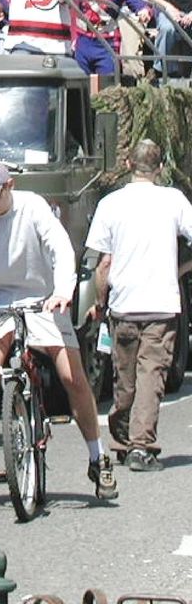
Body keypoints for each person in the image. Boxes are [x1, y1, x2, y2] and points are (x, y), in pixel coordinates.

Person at [0, 158, 117, 509]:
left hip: (43, 297)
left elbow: (60, 249)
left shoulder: (33, 207)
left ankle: (97, 458)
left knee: (73, 376)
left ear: (9, 186)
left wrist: (61, 292)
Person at [85, 139, 192, 471]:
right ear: (160, 168)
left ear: (129, 165)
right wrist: (182, 270)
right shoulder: (174, 200)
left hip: (123, 304)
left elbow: (102, 265)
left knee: (125, 377)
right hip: (161, 304)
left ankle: (124, 438)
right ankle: (140, 447)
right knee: (151, 376)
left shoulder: (110, 204)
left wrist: (100, 304)